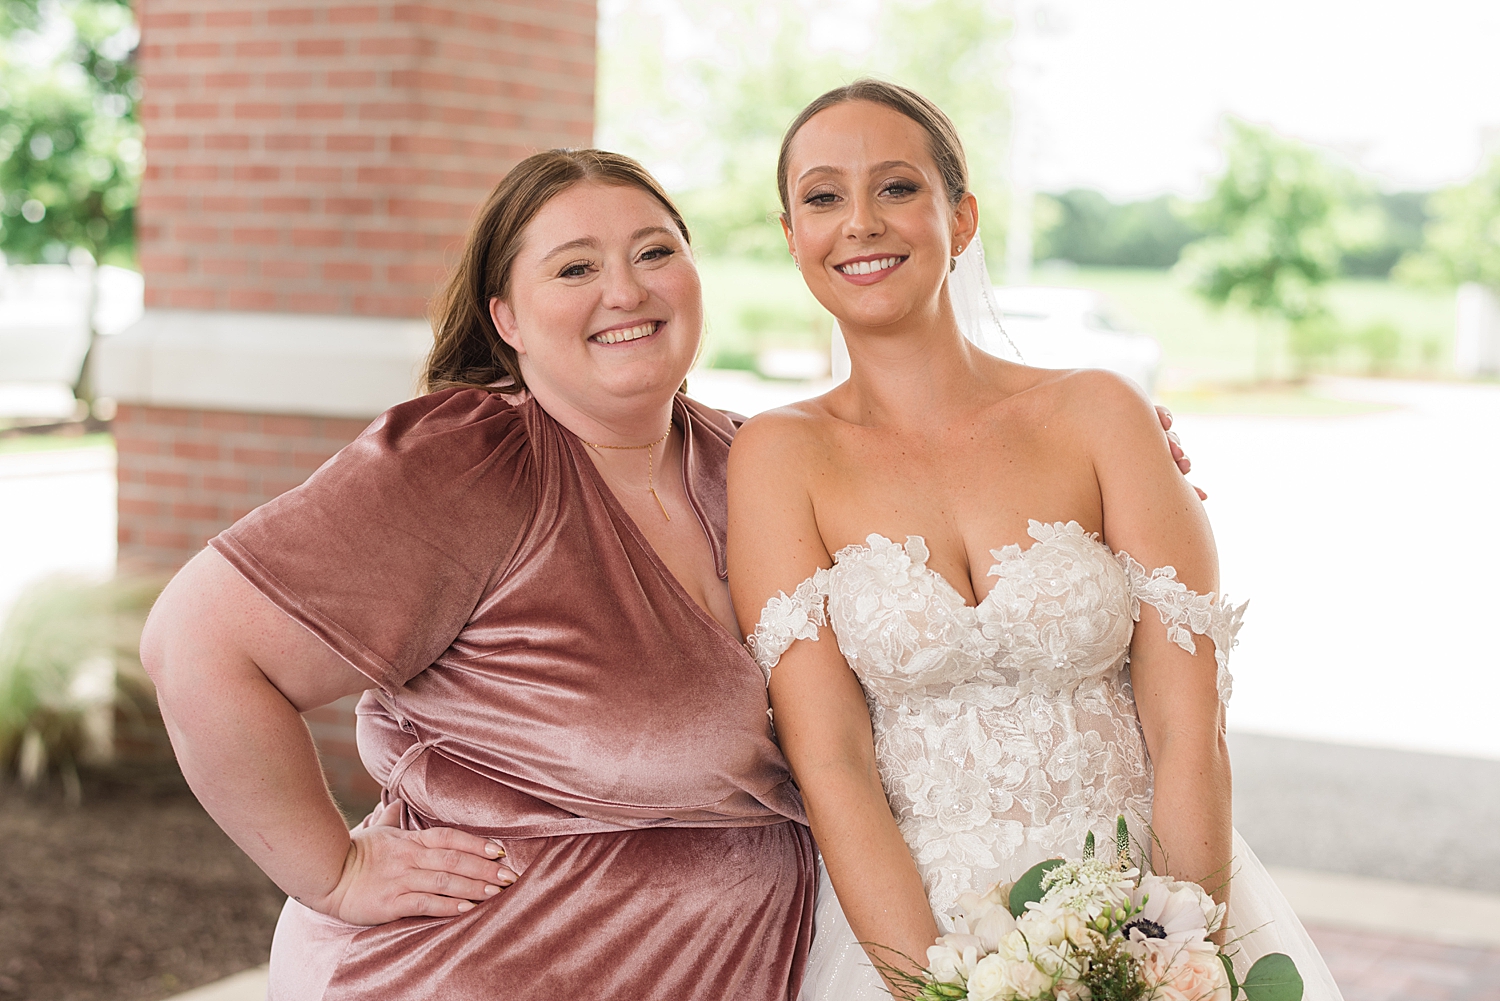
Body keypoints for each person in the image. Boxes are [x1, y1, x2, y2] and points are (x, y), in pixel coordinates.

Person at [139, 149, 819, 1000]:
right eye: (576, 267)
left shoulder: (753, 459)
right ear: (507, 319)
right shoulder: (467, 463)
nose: (628, 290)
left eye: (655, 252)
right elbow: (196, 646)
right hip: (470, 970)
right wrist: (335, 873)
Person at [726, 80, 1343, 1000]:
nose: (859, 222)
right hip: (911, 931)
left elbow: (1188, 727)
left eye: (896, 188)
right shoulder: (776, 455)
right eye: (823, 196)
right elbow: (834, 764)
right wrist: (934, 987)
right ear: (791, 236)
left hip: (1151, 897)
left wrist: (1164, 956)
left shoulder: (1102, 413)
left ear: (962, 218)